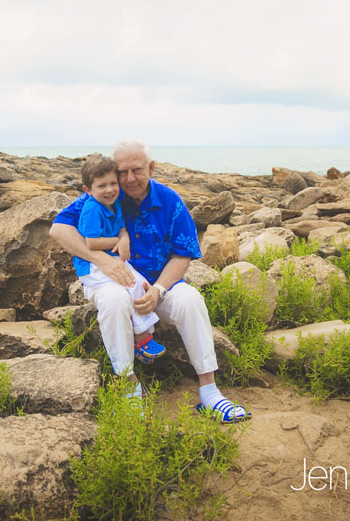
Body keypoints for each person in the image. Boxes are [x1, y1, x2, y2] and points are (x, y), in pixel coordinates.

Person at [50, 139, 251, 422]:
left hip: (158, 285)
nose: (129, 179)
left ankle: (210, 392)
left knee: (191, 299)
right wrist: (102, 260)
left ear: (152, 168)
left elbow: (183, 255)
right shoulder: (103, 194)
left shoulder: (170, 201)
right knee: (115, 300)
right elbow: (58, 230)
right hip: (110, 283)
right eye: (123, 171)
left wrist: (158, 291)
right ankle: (129, 388)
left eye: (137, 170)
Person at [74, 154, 166, 363]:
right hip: (93, 266)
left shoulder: (114, 204)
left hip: (113, 259)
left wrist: (124, 238)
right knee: (125, 291)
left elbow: (123, 228)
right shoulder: (91, 209)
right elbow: (91, 243)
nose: (109, 190)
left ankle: (143, 337)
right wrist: (119, 240)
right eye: (102, 186)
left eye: (113, 183)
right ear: (88, 190)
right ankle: (142, 338)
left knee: (139, 284)